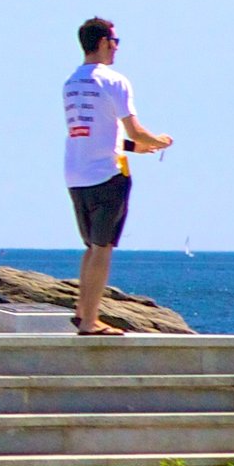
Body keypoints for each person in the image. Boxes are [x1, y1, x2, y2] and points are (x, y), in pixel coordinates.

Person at [63, 17, 173, 335]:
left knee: (91, 246)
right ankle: (89, 321)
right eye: (115, 41)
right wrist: (160, 141)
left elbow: (93, 131)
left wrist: (133, 148)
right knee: (103, 247)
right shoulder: (114, 81)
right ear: (103, 43)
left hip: (76, 173)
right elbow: (134, 128)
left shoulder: (71, 82)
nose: (116, 48)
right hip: (107, 175)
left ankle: (82, 311)